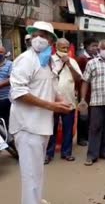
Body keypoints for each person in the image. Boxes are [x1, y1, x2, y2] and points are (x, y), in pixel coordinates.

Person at [9, 21, 72, 204]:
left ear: (52, 41)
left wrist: (61, 100)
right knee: (30, 175)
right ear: (30, 37)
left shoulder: (47, 61)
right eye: (36, 34)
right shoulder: (26, 60)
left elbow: (50, 86)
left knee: (37, 171)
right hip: (27, 125)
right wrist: (52, 106)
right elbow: (18, 93)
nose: (39, 38)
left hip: (41, 124)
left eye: (44, 35)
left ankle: (35, 200)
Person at [45, 38, 83, 164]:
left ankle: (66, 153)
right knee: (51, 128)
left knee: (68, 128)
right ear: (56, 47)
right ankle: (48, 154)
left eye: (67, 47)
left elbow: (78, 78)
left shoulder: (72, 61)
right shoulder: (49, 60)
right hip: (52, 100)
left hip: (69, 100)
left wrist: (69, 64)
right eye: (62, 47)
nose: (65, 50)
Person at [76, 38, 99, 146]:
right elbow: (78, 77)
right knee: (83, 116)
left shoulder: (96, 58)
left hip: (94, 91)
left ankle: (89, 136)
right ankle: (81, 138)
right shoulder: (82, 59)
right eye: (93, 46)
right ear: (86, 47)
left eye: (96, 46)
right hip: (84, 92)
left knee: (91, 116)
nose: (96, 48)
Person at [0, 46, 12, 128]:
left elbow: (12, 79)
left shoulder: (10, 64)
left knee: (6, 121)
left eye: (0, 52)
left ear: (5, 54)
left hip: (5, 99)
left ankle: (8, 139)